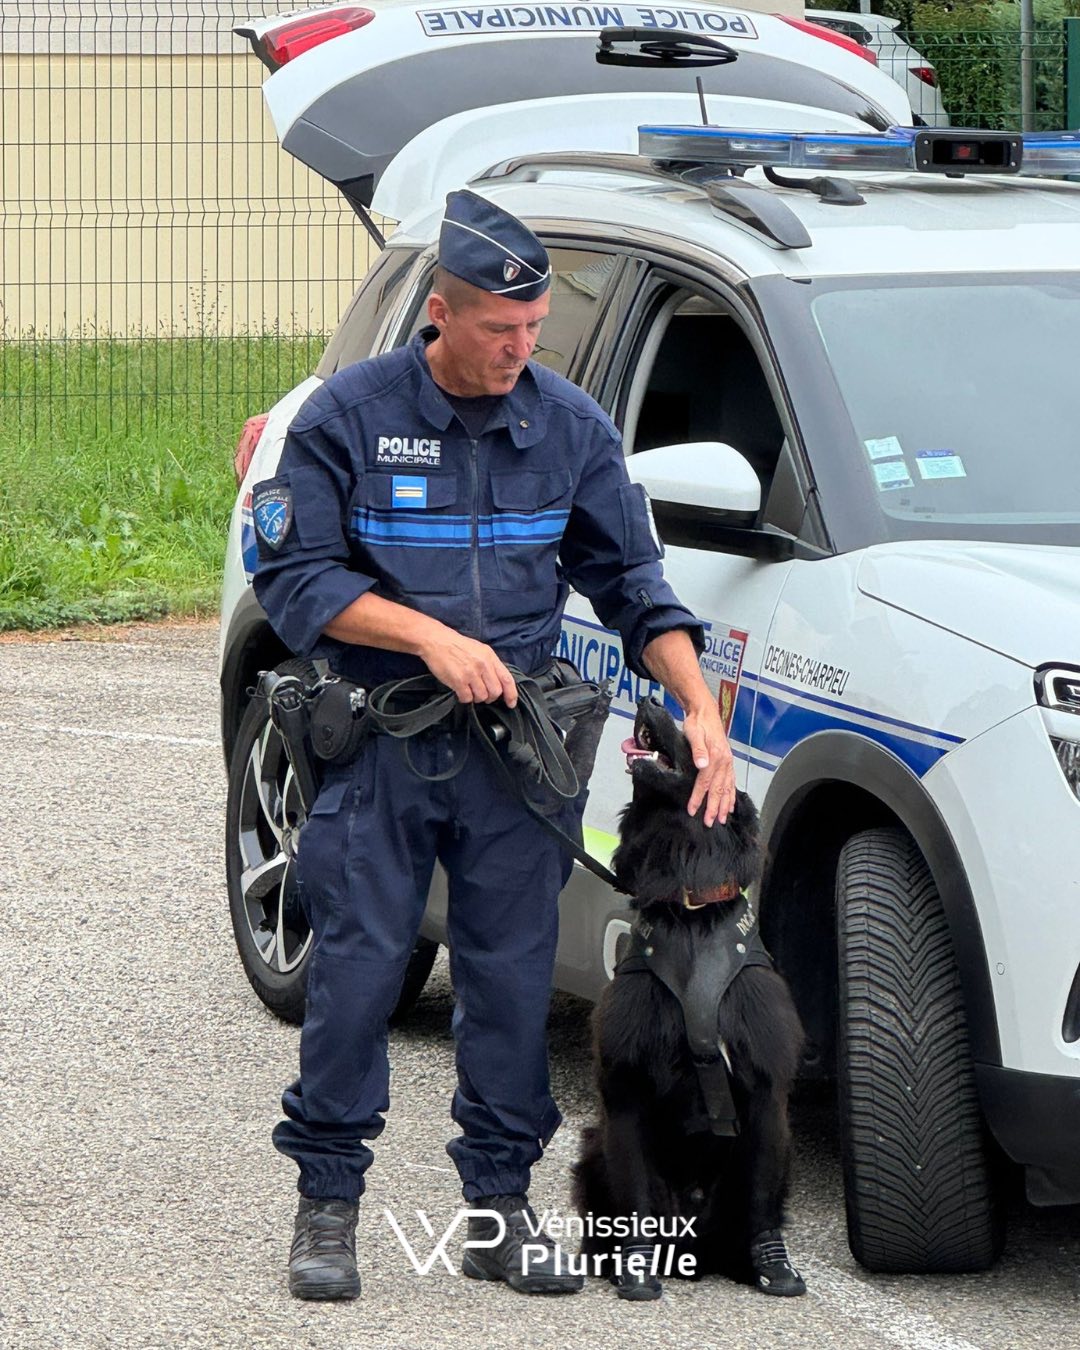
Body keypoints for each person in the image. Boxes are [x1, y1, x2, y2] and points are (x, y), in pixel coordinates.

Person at [251, 189, 735, 1301]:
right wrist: (428, 636)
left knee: (512, 983)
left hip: (515, 757)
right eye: (499, 332)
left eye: (534, 330)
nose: (522, 349)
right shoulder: (351, 417)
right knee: (361, 977)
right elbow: (297, 580)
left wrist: (699, 708)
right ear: (441, 314)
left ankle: (499, 1210)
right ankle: (327, 1206)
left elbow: (636, 589)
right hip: (381, 742)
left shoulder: (569, 428)